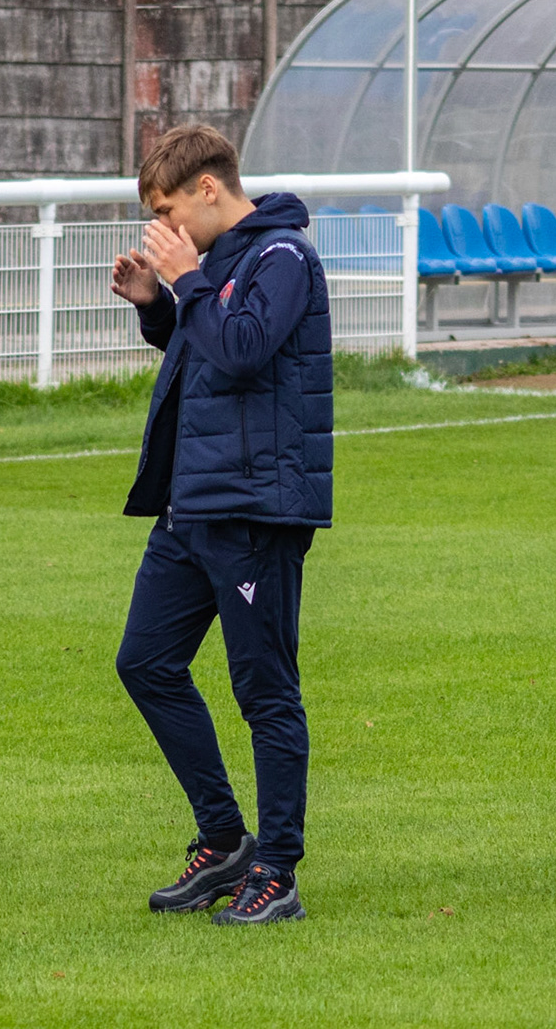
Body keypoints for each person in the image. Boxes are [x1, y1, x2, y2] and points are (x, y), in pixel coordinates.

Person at [106, 125, 332, 926]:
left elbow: (242, 351)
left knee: (264, 689)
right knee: (146, 663)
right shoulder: (218, 264)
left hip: (255, 510)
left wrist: (188, 280)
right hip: (191, 505)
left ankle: (277, 868)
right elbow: (207, 348)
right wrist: (158, 307)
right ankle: (224, 838)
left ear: (210, 189)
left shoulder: (282, 257)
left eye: (169, 210)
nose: (163, 229)